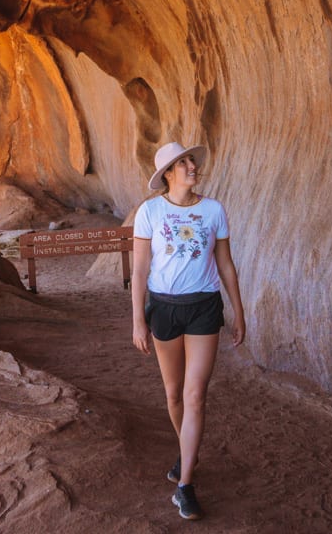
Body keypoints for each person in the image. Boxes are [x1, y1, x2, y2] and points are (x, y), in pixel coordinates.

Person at [131, 141, 246, 521]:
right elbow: (140, 271)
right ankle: (186, 451)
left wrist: (239, 311)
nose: (192, 166)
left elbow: (226, 264)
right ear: (167, 174)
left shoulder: (214, 210)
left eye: (191, 160)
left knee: (195, 395)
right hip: (163, 308)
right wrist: (138, 320)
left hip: (204, 306)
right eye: (183, 163)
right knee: (173, 394)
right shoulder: (150, 211)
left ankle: (185, 486)